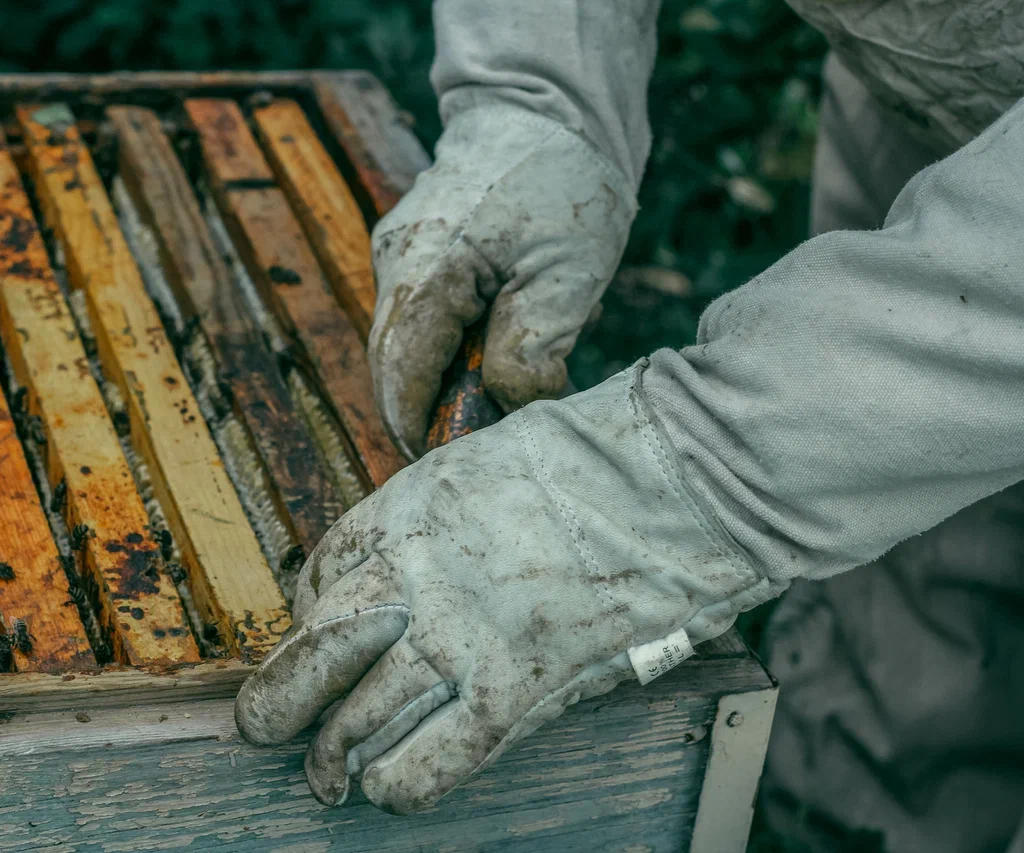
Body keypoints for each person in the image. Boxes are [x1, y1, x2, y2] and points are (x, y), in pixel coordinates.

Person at [234, 2, 1024, 849]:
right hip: (937, 80)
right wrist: (542, 93)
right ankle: (851, 817)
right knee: (913, 536)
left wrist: (701, 469)